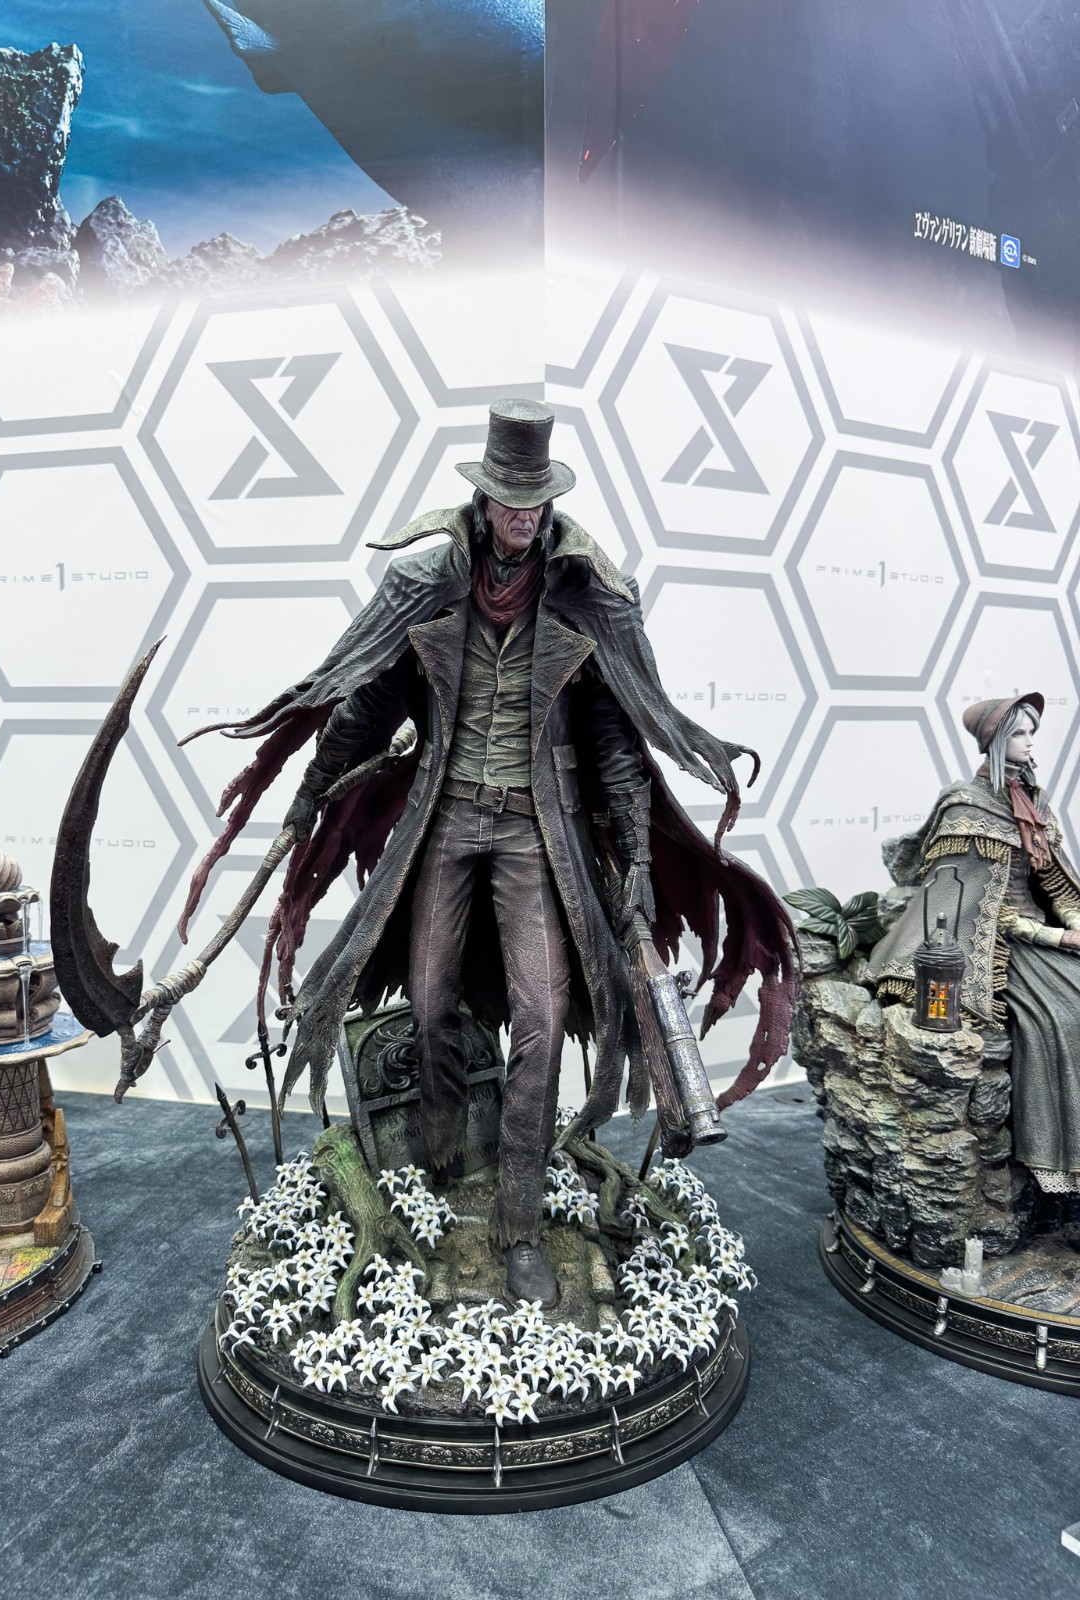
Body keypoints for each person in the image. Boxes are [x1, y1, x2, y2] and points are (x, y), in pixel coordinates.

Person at [180, 400, 797, 1304]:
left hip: (534, 835)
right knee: (430, 1004)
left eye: (535, 501)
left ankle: (518, 1225)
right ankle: (441, 1162)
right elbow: (366, 702)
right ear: (482, 496)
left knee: (543, 1017)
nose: (523, 516)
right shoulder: (428, 584)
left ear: (550, 501)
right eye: (509, 499)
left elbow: (618, 742)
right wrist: (312, 792)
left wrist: (633, 858)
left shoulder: (587, 595)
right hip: (444, 821)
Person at [868, 693, 1080, 1195]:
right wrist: (1057, 935)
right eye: (1020, 733)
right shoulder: (967, 807)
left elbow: (1053, 881)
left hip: (1048, 934)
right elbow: (976, 905)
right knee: (1063, 1016)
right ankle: (1060, 1156)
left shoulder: (1034, 802)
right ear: (997, 740)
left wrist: (1075, 918)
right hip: (1001, 944)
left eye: (1032, 732)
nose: (1030, 742)